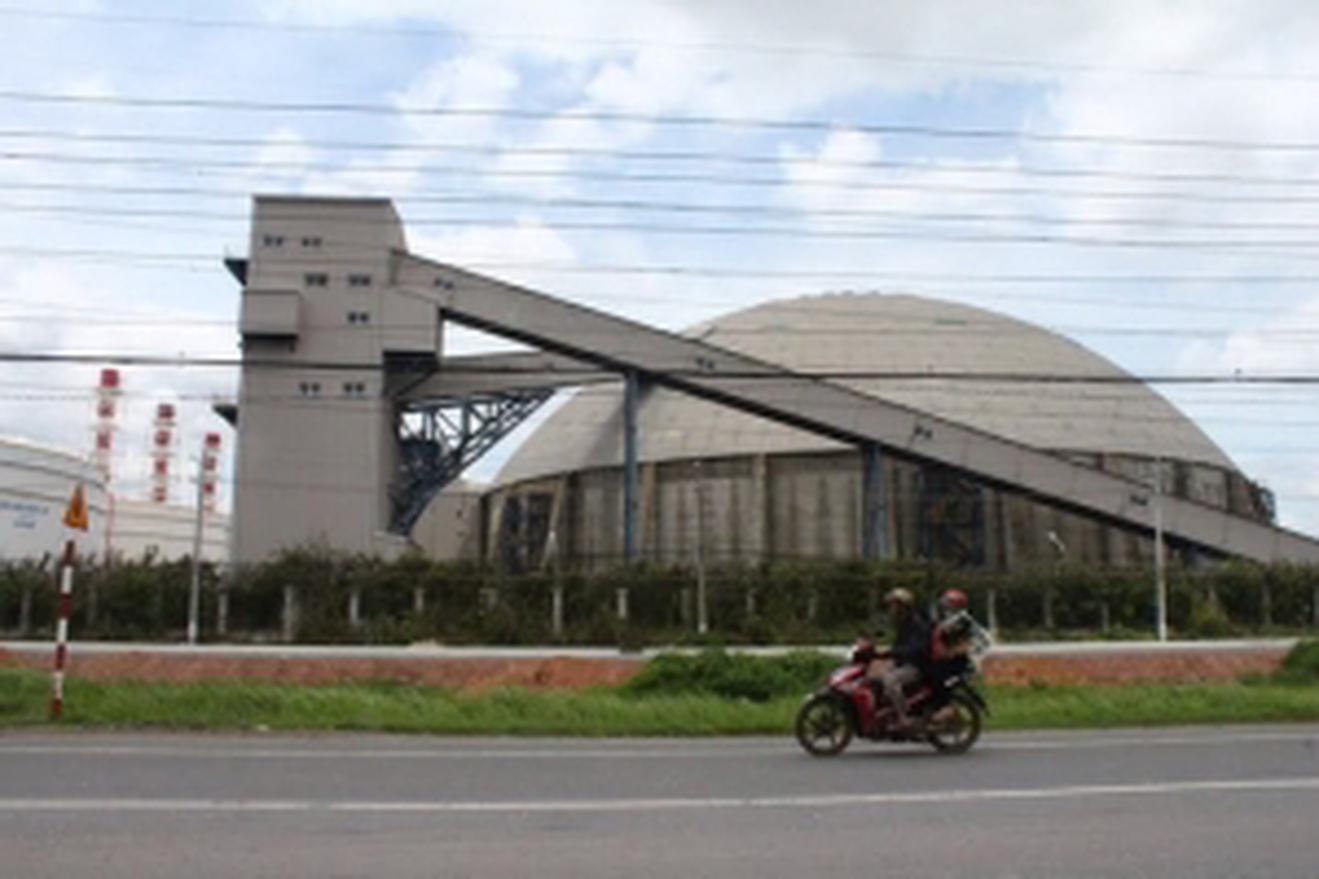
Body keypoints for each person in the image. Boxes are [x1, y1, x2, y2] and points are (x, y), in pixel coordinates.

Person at [867, 587, 931, 732]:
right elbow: (900, 645)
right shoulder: (903, 622)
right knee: (873, 673)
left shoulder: (916, 624)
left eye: (893, 605)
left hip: (915, 666)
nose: (891, 609)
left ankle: (904, 716)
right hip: (903, 662)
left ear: (903, 606)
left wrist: (891, 652)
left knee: (891, 680)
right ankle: (884, 711)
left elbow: (916, 648)